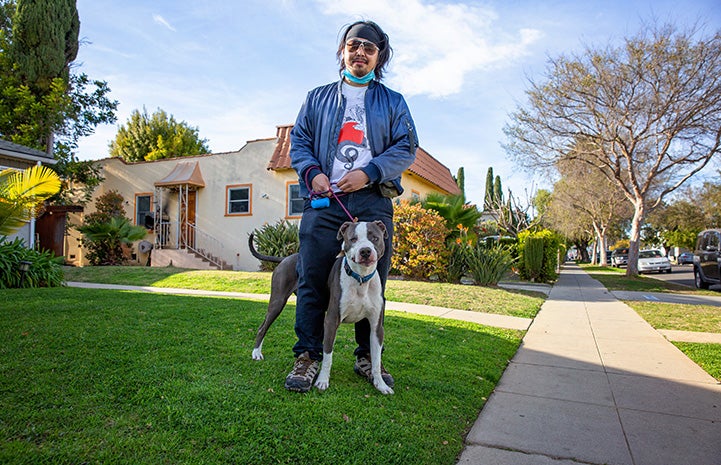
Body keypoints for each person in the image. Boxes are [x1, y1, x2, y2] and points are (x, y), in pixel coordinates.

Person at [285, 20, 418, 393]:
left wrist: (370, 172)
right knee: (311, 277)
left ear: (379, 57)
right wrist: (312, 173)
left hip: (373, 198)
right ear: (343, 50)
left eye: (369, 48)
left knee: (373, 280)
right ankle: (308, 356)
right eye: (354, 44)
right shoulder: (316, 98)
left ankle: (365, 356)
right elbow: (300, 141)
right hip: (326, 201)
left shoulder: (392, 102)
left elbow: (406, 147)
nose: (360, 52)